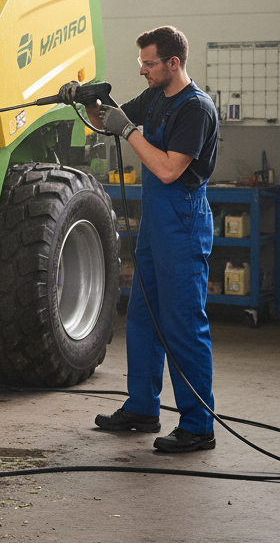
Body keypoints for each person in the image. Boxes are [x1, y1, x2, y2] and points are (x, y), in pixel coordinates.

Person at [80, 26, 219, 452]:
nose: (141, 70)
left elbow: (167, 170)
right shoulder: (157, 96)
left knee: (182, 325)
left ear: (173, 63)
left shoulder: (195, 108)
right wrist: (87, 100)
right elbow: (109, 120)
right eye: (140, 62)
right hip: (156, 227)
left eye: (148, 63)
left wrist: (128, 131)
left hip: (182, 222)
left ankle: (198, 426)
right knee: (143, 318)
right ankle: (143, 407)